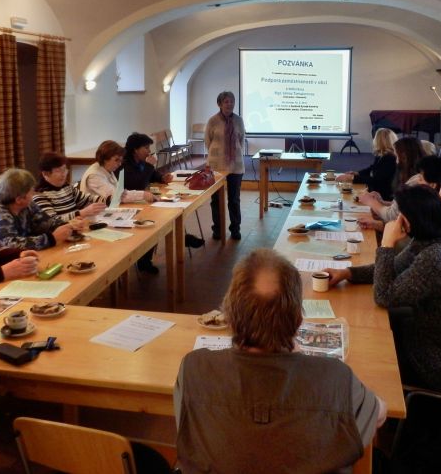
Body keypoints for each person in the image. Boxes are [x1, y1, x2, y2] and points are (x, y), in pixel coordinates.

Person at [174, 249, 385, 473]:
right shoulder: (338, 379)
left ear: (230, 316)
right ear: (298, 320)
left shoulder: (193, 370)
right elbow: (379, 414)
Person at [328, 186, 441, 393]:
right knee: (367, 323)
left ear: (411, 220)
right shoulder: (437, 236)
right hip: (439, 337)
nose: (396, 221)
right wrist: (347, 273)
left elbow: (383, 296)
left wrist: (387, 244)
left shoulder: (437, 257)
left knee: (363, 350)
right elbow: (394, 267)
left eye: (400, 215)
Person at [120, 132, 204, 250]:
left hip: (142, 199)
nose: (149, 151)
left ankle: (181, 237)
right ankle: (179, 239)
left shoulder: (140, 161)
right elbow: (138, 185)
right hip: (129, 203)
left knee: (170, 210)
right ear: (135, 150)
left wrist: (162, 178)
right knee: (158, 217)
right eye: (146, 148)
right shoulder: (124, 164)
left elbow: (152, 175)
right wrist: (149, 166)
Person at [0, 168, 81, 250]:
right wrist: (52, 238)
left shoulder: (27, 205)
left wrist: (68, 226)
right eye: (31, 191)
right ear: (19, 199)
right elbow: (11, 245)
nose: (33, 194)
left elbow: (46, 222)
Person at [359, 153, 441, 228]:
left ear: (432, 185)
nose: (417, 181)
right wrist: (378, 222)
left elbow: (393, 217)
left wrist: (371, 202)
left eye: (421, 179)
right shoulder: (431, 203)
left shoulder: (433, 212)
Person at [205, 91, 245, 240]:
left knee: (234, 199)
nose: (230, 104)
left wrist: (233, 154)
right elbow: (208, 141)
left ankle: (235, 229)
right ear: (220, 104)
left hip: (235, 165)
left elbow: (241, 140)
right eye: (226, 101)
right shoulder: (212, 121)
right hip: (216, 164)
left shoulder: (238, 120)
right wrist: (219, 153)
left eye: (232, 101)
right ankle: (218, 229)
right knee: (216, 199)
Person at [33, 152, 107, 221]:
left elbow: (87, 199)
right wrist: (81, 213)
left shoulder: (67, 187)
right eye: (58, 171)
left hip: (78, 227)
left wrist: (107, 200)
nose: (63, 174)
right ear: (45, 174)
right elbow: (52, 221)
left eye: (64, 169)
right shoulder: (40, 195)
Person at [80, 140, 156, 203]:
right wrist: (143, 195)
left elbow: (121, 192)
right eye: (116, 160)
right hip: (95, 215)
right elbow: (117, 196)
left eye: (120, 160)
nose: (119, 164)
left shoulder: (107, 169)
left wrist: (144, 194)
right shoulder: (94, 176)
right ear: (105, 158)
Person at [336, 128, 397, 200]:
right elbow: (372, 168)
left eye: (375, 138)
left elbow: (375, 180)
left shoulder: (390, 159)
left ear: (379, 141)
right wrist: (357, 173)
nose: (373, 140)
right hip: (376, 192)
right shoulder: (383, 155)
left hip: (382, 197)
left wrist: (352, 178)